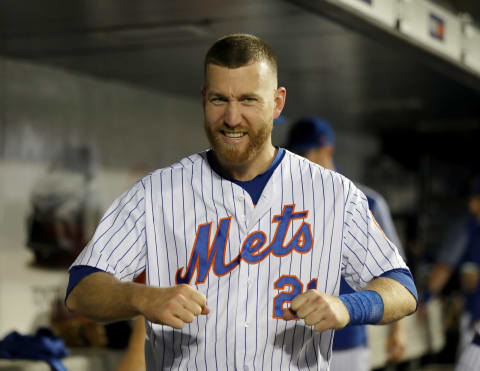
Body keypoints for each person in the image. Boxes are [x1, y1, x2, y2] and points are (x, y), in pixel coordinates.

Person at [65, 33, 417, 370]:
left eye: (248, 100)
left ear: (277, 102)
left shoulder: (334, 194)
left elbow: (402, 288)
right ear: (204, 98)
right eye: (220, 99)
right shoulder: (154, 194)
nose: (232, 118)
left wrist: (348, 306)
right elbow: (82, 289)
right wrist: (140, 298)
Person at [286, 117, 407, 371]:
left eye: (306, 153)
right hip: (293, 340)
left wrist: (399, 330)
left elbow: (395, 274)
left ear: (326, 150)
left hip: (347, 341)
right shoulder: (288, 202)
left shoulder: (365, 201)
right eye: (294, 153)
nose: (298, 160)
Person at [421, 175, 480, 360]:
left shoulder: (466, 227)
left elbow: (444, 267)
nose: (472, 203)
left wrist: (427, 297)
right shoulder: (469, 227)